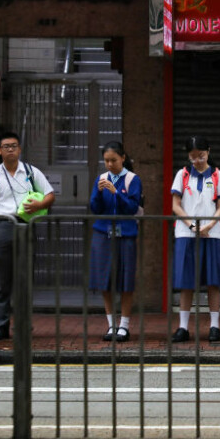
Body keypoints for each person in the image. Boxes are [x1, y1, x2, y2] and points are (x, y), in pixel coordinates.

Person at [0, 131, 56, 341]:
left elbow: (50, 195)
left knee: (25, 279)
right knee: (2, 281)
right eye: (6, 146)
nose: (10, 149)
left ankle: (23, 325)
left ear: (20, 149)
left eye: (14, 146)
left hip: (26, 226)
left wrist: (40, 204)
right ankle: (1, 326)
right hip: (2, 227)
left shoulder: (31, 172)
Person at [170, 136, 220, 343]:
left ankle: (214, 326)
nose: (197, 160)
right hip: (186, 233)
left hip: (211, 234)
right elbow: (176, 205)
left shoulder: (217, 175)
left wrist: (209, 225)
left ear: (209, 152)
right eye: (193, 157)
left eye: (201, 155)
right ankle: (183, 327)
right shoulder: (182, 174)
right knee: (186, 282)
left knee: (213, 281)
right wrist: (192, 226)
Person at [88, 141, 143, 343]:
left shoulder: (132, 179)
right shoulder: (101, 178)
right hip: (103, 233)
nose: (109, 164)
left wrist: (115, 193)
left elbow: (131, 208)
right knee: (105, 279)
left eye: (113, 160)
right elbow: (95, 208)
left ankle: (124, 325)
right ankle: (111, 323)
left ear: (123, 158)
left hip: (126, 233)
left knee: (126, 279)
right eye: (106, 161)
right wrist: (100, 193)